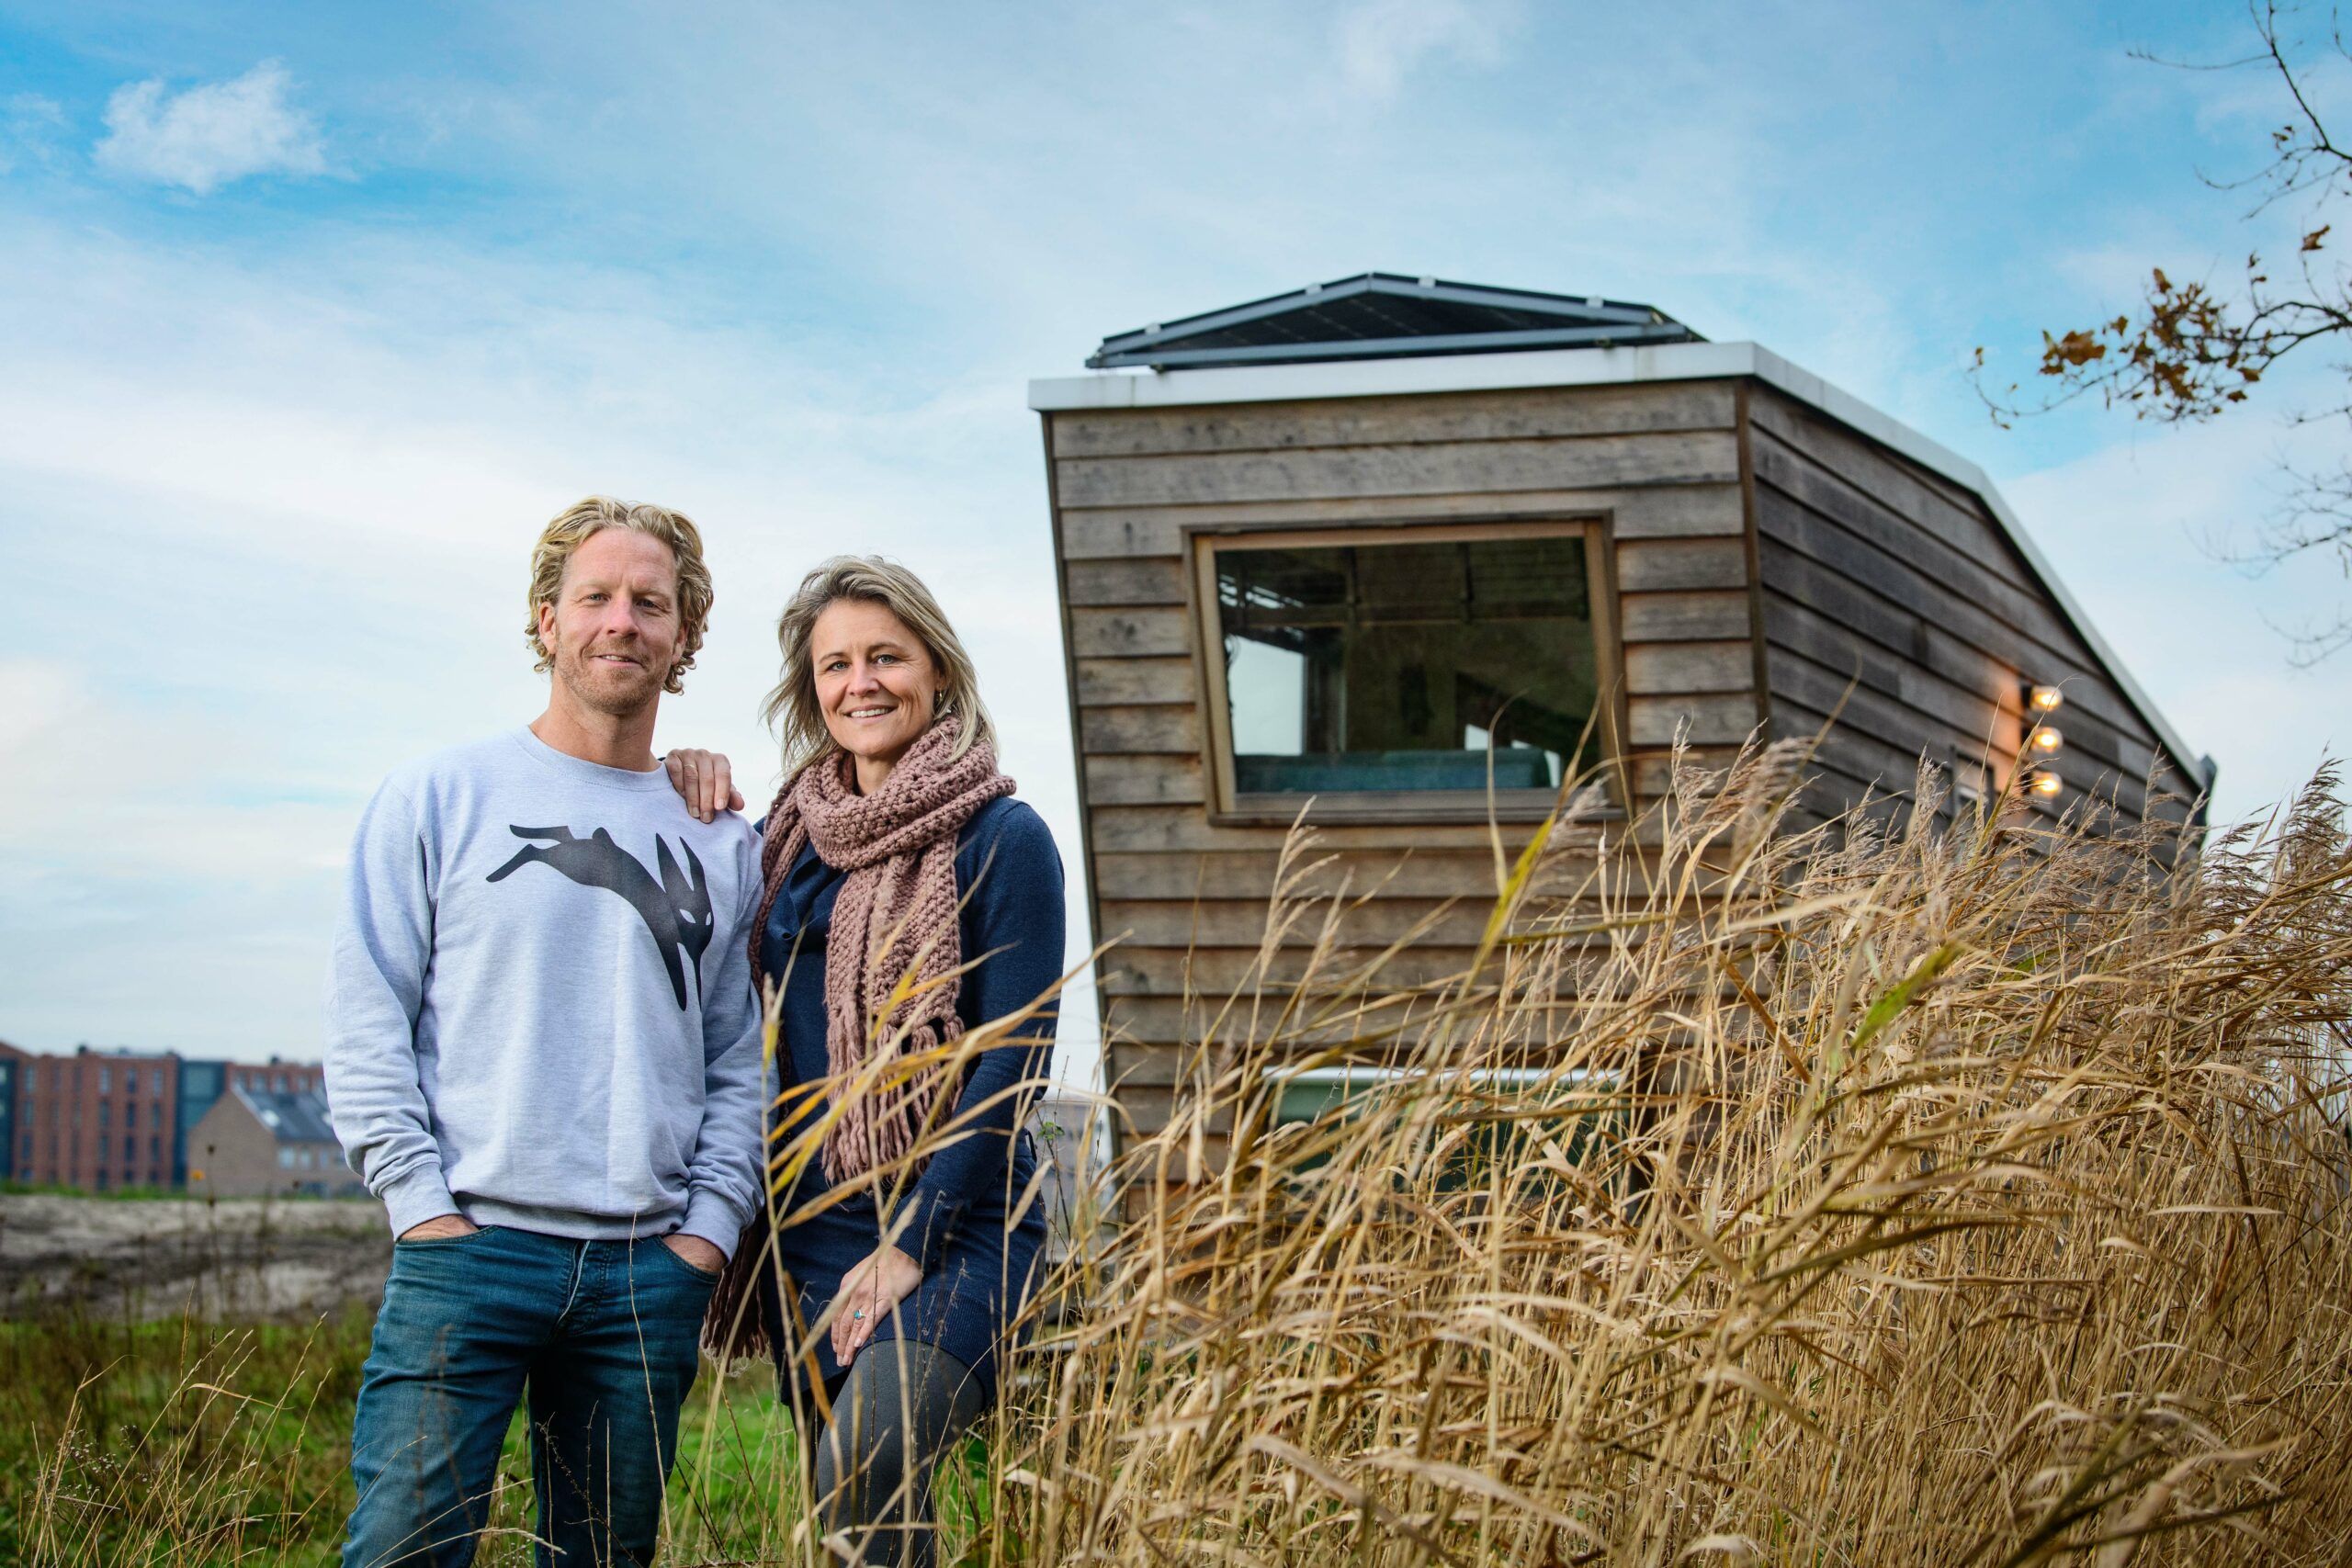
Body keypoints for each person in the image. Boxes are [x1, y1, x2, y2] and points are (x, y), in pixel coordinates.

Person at [325, 497, 766, 1568]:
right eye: (595, 597)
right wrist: (420, 1207)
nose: (622, 621)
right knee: (402, 1551)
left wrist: (707, 1231)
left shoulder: (721, 839)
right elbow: (369, 1014)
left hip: (646, 1271)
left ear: (683, 634)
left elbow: (739, 1058)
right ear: (545, 619)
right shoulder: (439, 796)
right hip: (468, 1251)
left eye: (649, 603)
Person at [665, 556, 1064, 1568]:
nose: (861, 683)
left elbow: (1014, 1057)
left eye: (886, 656)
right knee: (857, 1533)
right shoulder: (784, 841)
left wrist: (912, 1241)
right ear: (812, 691)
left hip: (959, 1227)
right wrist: (677, 774)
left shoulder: (1002, 837)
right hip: (811, 1232)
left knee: (867, 1462)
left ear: (937, 669)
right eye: (835, 665)